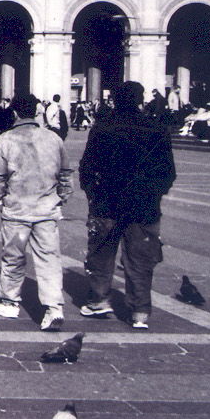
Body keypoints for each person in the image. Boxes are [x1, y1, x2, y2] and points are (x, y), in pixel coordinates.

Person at [77, 81, 176, 329]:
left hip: (107, 202)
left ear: (115, 100)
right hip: (144, 206)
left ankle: (99, 300)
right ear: (140, 99)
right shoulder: (157, 129)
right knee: (141, 259)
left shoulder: (103, 128)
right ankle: (140, 312)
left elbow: (87, 167)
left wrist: (91, 193)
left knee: (101, 254)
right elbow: (168, 172)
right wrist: (155, 194)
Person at [0, 94, 73, 331]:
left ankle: (10, 302)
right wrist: (61, 197)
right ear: (37, 112)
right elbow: (66, 172)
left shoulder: (6, 139)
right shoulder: (53, 138)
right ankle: (54, 308)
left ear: (14, 113)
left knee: (13, 257)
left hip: (16, 210)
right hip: (46, 209)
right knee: (49, 259)